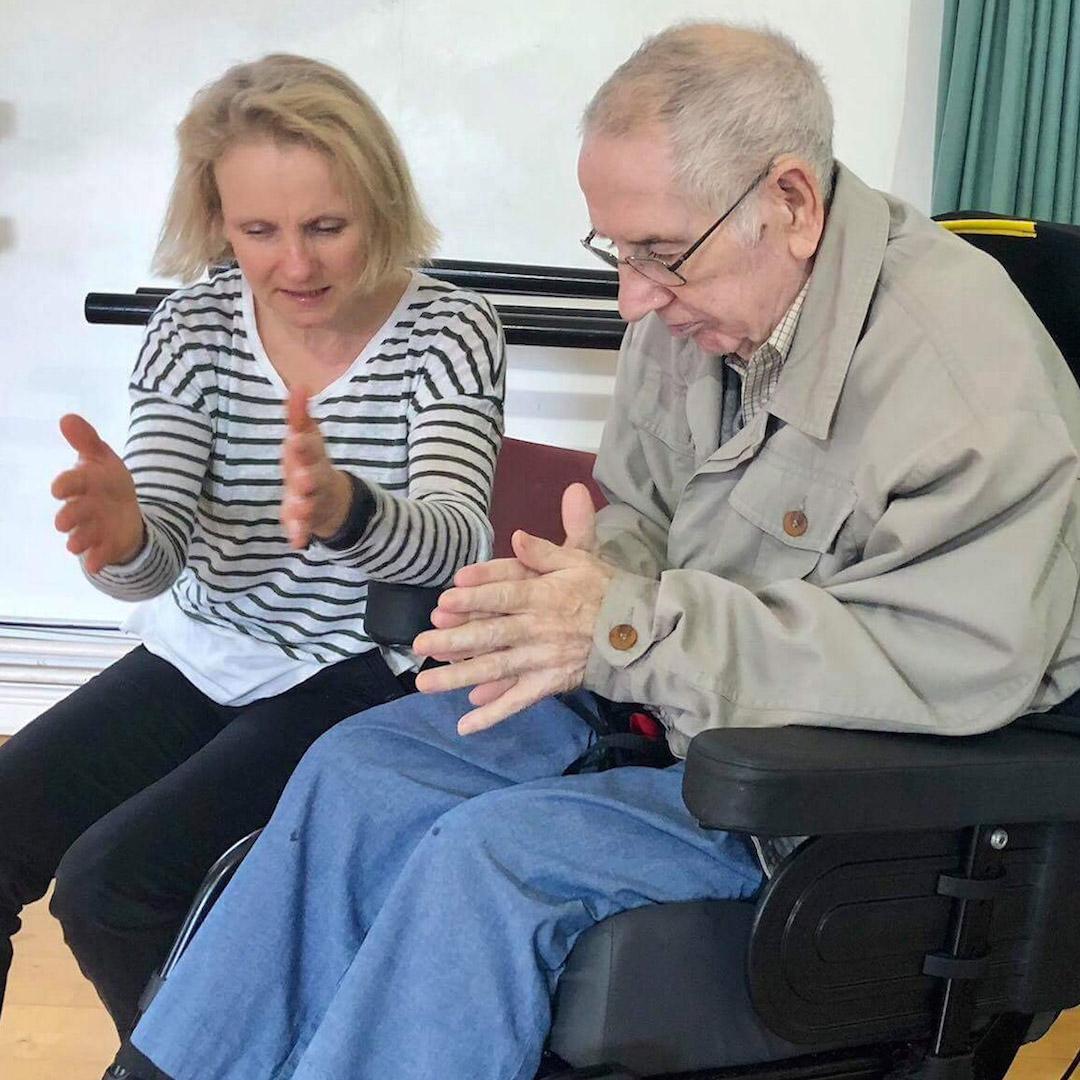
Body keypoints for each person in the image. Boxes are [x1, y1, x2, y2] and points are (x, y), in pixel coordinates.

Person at [112, 21, 1080, 1080]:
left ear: (792, 205)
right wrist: (586, 587)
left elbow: (948, 659)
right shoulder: (698, 309)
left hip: (830, 791)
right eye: (615, 252)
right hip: (668, 704)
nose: (633, 299)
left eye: (659, 254)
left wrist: (626, 625)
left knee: (487, 861)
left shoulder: (958, 373)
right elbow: (638, 514)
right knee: (361, 766)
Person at [0, 53, 505, 1039]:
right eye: (258, 231)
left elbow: (453, 542)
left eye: (327, 226)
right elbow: (160, 558)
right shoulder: (192, 328)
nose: (296, 265)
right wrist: (125, 537)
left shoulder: (450, 329)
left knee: (110, 888)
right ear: (215, 218)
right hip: (206, 650)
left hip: (359, 671)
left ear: (380, 202)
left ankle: (213, 1061)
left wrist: (348, 510)